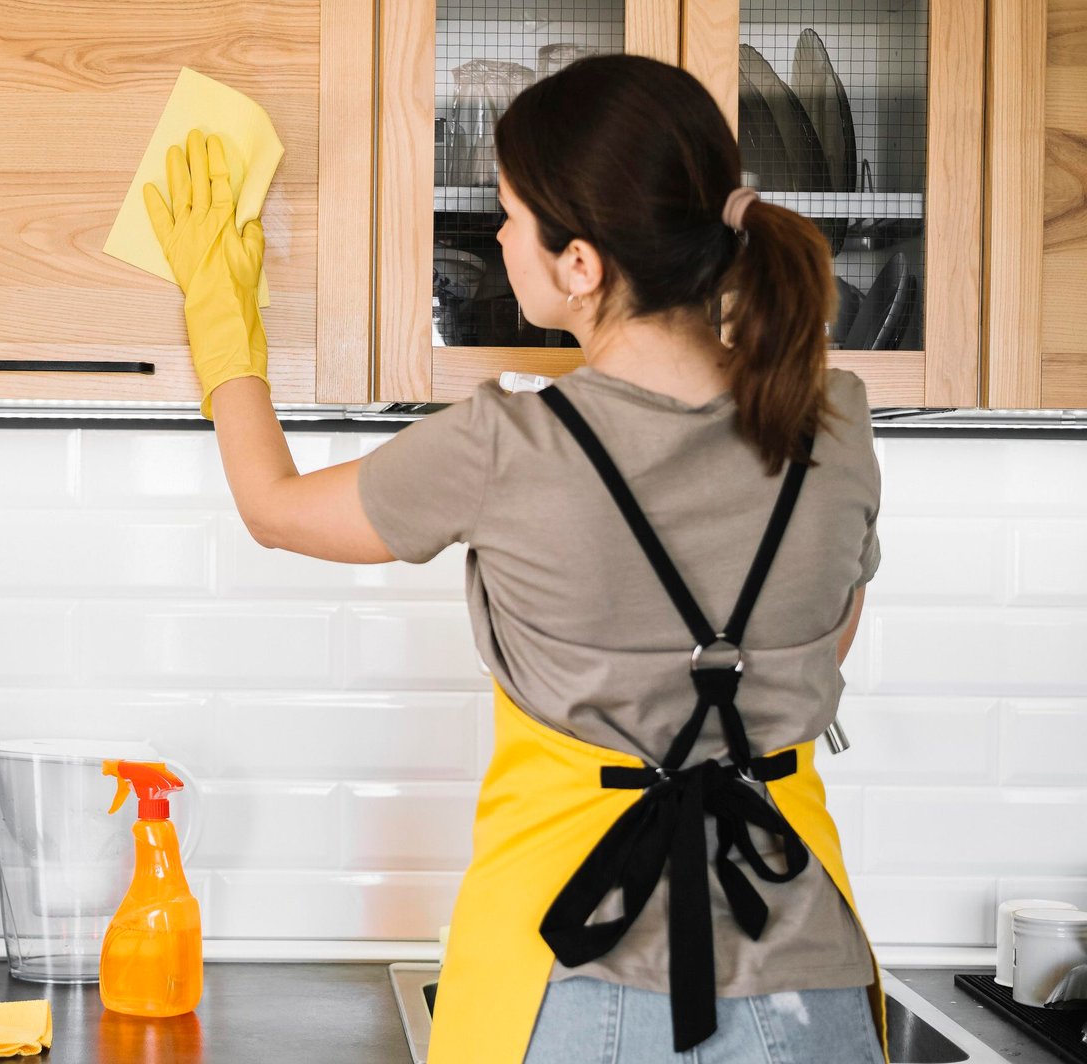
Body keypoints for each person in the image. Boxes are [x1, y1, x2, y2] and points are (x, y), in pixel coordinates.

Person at [142, 53, 885, 1064]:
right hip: (806, 965)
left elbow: (274, 508)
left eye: (508, 212)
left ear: (580, 264)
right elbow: (825, 641)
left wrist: (221, 320)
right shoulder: (834, 425)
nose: (495, 236)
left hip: (577, 963)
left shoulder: (504, 446)